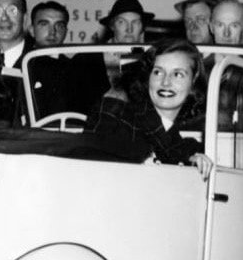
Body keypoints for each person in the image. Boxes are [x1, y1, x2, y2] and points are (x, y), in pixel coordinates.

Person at [86, 37, 212, 178]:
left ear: (193, 81)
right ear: (148, 76)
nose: (165, 82)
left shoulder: (183, 146)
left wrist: (192, 164)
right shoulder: (115, 114)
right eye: (158, 72)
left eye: (178, 74)